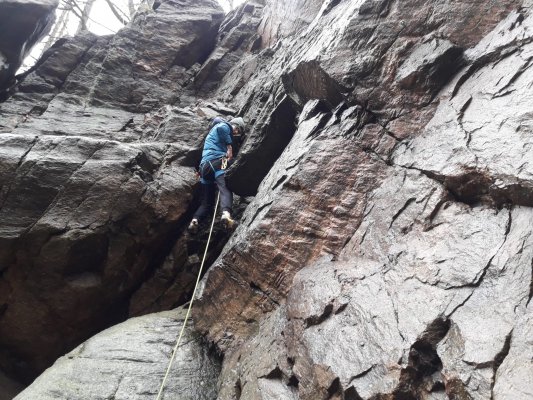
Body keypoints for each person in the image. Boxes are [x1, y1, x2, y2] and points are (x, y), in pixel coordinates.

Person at [188, 117, 246, 233]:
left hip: (204, 168)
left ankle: (195, 220)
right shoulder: (224, 125)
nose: (236, 132)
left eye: (238, 132)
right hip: (217, 162)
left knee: (207, 202)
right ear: (234, 125)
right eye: (237, 129)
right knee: (225, 188)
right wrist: (229, 147)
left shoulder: (212, 134)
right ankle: (226, 214)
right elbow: (221, 129)